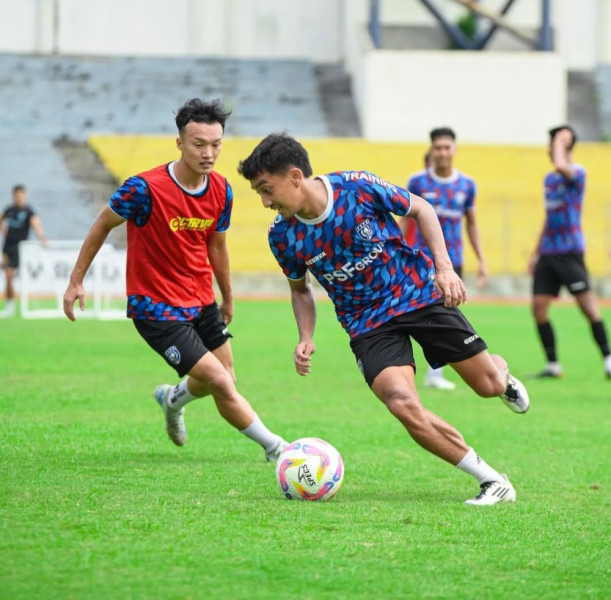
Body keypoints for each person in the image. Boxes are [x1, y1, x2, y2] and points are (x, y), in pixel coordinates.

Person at [238, 133, 530, 506]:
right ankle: (491, 480)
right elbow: (300, 290)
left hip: (416, 295)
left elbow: (421, 208)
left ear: (295, 176)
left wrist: (444, 269)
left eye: (267, 189)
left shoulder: (356, 187)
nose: (265, 201)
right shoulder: (282, 235)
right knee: (400, 401)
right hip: (367, 324)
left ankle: (501, 376)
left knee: (488, 384)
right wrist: (305, 335)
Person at [63, 98, 288, 460]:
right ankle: (278, 449)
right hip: (155, 307)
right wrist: (76, 281)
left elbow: (217, 248)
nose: (209, 153)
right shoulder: (143, 189)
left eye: (216, 144)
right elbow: (103, 224)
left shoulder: (221, 190)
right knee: (218, 381)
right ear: (180, 143)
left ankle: (171, 400)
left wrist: (227, 296)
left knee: (224, 376)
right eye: (199, 144)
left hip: (200, 299)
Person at [399, 128, 487, 391]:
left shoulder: (467, 185)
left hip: (451, 261)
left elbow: (472, 225)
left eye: (447, 147)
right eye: (438, 148)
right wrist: (397, 249)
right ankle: (420, 370)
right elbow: (405, 217)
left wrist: (481, 260)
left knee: (445, 313)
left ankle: (434, 372)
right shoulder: (418, 182)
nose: (443, 152)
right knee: (417, 311)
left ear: (454, 150)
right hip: (419, 259)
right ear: (431, 150)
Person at [528, 125, 611, 379]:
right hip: (548, 253)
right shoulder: (549, 180)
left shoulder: (576, 172)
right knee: (539, 308)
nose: (550, 150)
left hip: (570, 251)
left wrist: (561, 141)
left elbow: (563, 165)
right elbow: (549, 217)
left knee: (588, 308)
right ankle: (553, 365)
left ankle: (608, 359)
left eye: (553, 144)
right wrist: (535, 251)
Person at [1, 184, 47, 316]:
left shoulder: (29, 211)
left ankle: (12, 306)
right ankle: (9, 305)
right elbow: (1, 220)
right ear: (13, 196)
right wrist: (4, 232)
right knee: (7, 276)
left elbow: (36, 224)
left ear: (24, 195)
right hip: (7, 246)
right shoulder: (9, 210)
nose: (18, 198)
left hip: (20, 248)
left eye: (21, 195)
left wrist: (42, 238)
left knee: (10, 275)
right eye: (16, 195)